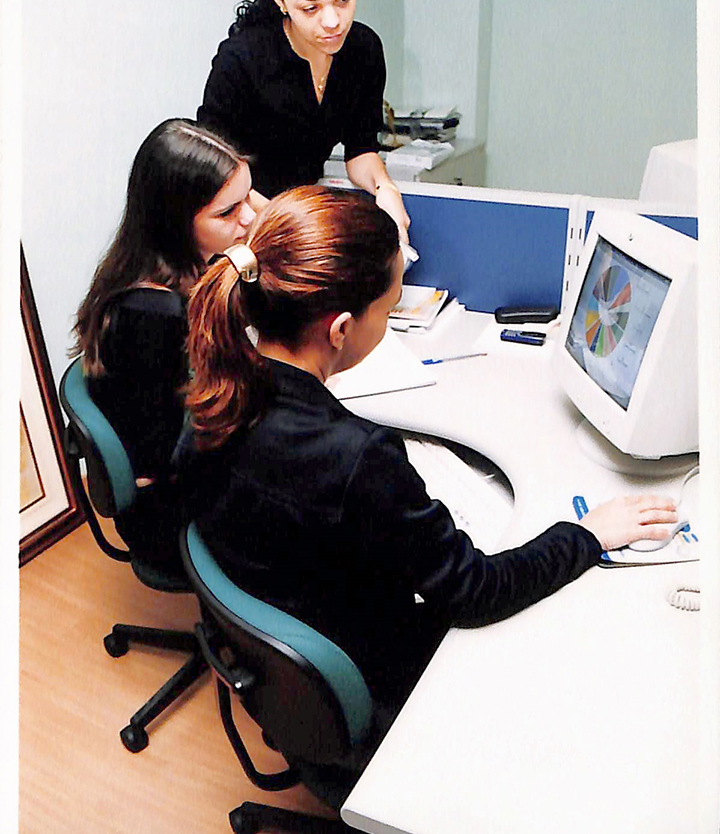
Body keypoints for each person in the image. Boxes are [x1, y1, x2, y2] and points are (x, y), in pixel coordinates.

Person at [177, 185, 677, 720]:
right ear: (341, 329)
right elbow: (475, 592)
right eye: (388, 308)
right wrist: (588, 535)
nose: (388, 322)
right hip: (377, 675)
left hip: (292, 649)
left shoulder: (213, 394)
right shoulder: (359, 457)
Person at [72, 117, 260, 562]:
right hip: (165, 511)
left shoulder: (170, 266)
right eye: (228, 212)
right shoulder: (152, 316)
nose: (250, 217)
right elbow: (165, 457)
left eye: (248, 197)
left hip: (184, 463)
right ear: (176, 221)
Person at [196, 0, 410, 241]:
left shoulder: (363, 51)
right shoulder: (241, 61)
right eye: (311, 8)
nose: (332, 21)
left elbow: (360, 150)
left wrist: (385, 188)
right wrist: (289, 227)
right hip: (241, 228)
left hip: (299, 220)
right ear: (279, 0)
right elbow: (216, 173)